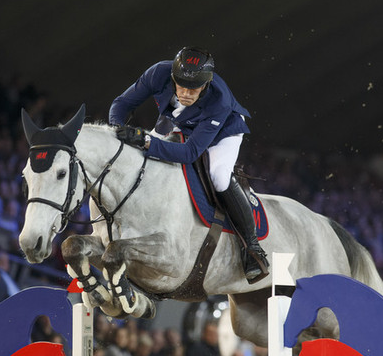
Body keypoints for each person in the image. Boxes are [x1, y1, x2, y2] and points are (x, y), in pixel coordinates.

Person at [109, 46, 268, 282]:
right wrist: (116, 130)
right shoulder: (157, 74)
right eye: (181, 85)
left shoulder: (219, 100)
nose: (185, 93)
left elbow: (190, 152)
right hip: (179, 120)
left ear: (206, 84)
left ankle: (253, 249)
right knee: (146, 161)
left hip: (222, 131)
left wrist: (145, 141)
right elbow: (121, 104)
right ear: (172, 77)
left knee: (219, 175)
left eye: (193, 88)